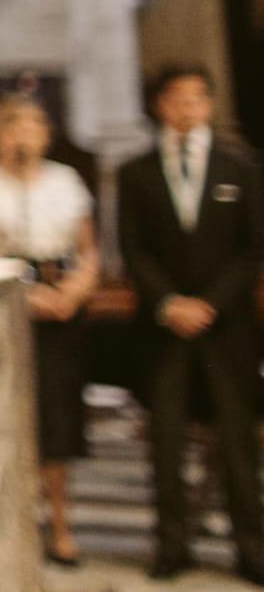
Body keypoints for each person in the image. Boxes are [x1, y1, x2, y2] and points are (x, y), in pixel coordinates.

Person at [117, 65, 264, 582]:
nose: (186, 108)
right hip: (162, 327)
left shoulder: (239, 166)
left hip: (227, 327)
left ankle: (251, 546)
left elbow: (252, 249)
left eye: (197, 98)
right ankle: (171, 544)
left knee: (238, 441)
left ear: (209, 104)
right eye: (176, 98)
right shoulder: (136, 172)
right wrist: (169, 303)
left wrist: (210, 304)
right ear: (159, 104)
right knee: (165, 439)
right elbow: (132, 249)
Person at [0, 94, 97, 566]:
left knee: (57, 417)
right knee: (15, 413)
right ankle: (14, 516)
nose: (25, 135)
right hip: (8, 302)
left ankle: (61, 522)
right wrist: (26, 296)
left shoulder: (65, 181)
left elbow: (87, 249)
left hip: (61, 303)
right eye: (14, 126)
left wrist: (75, 290)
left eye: (34, 125)